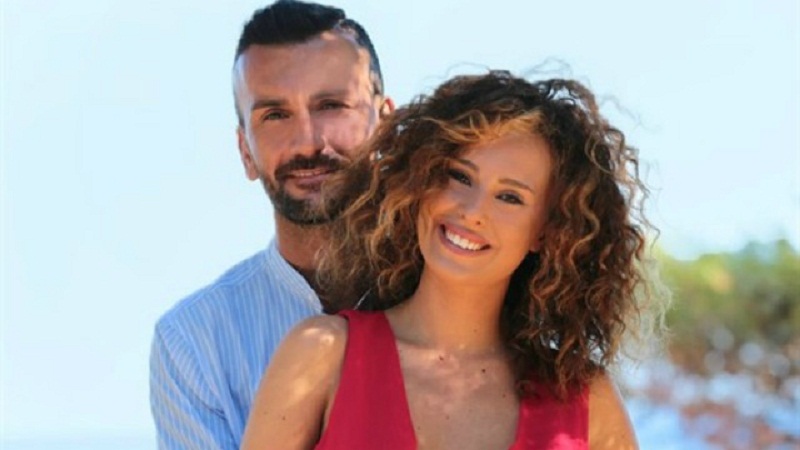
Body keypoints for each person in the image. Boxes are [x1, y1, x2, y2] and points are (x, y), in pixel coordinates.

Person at [240, 70, 669, 449]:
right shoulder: (322, 353)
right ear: (422, 181)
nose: (472, 210)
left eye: (510, 197)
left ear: (546, 231)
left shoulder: (586, 401)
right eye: (460, 177)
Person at [148, 1, 394, 448]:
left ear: (386, 125)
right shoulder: (193, 341)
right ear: (245, 151)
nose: (308, 142)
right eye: (275, 115)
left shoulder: (462, 292)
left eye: (331, 105)